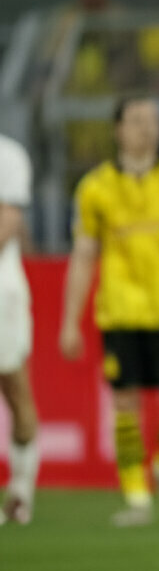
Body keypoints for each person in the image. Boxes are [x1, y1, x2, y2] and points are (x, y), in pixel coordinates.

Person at [59, 95, 159, 526]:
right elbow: (84, 254)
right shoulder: (95, 187)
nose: (148, 128)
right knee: (125, 403)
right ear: (118, 129)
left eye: (153, 120)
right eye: (137, 121)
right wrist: (70, 320)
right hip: (120, 309)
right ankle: (136, 498)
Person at [0, 133, 39, 525]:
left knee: (15, 389)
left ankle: (21, 489)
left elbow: (6, 225)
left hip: (2, 291)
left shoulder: (8, 156)